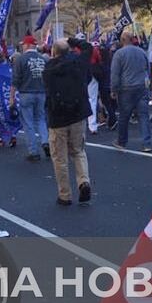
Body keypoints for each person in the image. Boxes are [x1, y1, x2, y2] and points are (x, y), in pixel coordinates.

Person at [43, 37, 93, 206]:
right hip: (78, 114)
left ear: (54, 53)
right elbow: (88, 47)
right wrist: (71, 40)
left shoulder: (48, 69)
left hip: (58, 118)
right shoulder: (78, 63)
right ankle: (83, 181)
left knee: (60, 158)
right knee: (78, 151)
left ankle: (65, 194)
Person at [110, 30, 152, 152]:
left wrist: (113, 89)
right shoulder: (141, 52)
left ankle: (122, 141)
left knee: (124, 116)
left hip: (126, 88)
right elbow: (147, 69)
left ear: (122, 40)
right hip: (141, 86)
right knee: (143, 116)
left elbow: (115, 74)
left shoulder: (119, 54)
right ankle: (147, 143)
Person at [11, 34, 49, 161]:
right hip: (41, 92)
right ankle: (45, 141)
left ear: (27, 45)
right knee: (41, 119)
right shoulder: (43, 59)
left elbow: (15, 81)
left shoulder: (20, 60)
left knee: (28, 123)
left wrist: (11, 99)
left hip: (26, 92)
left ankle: (33, 151)